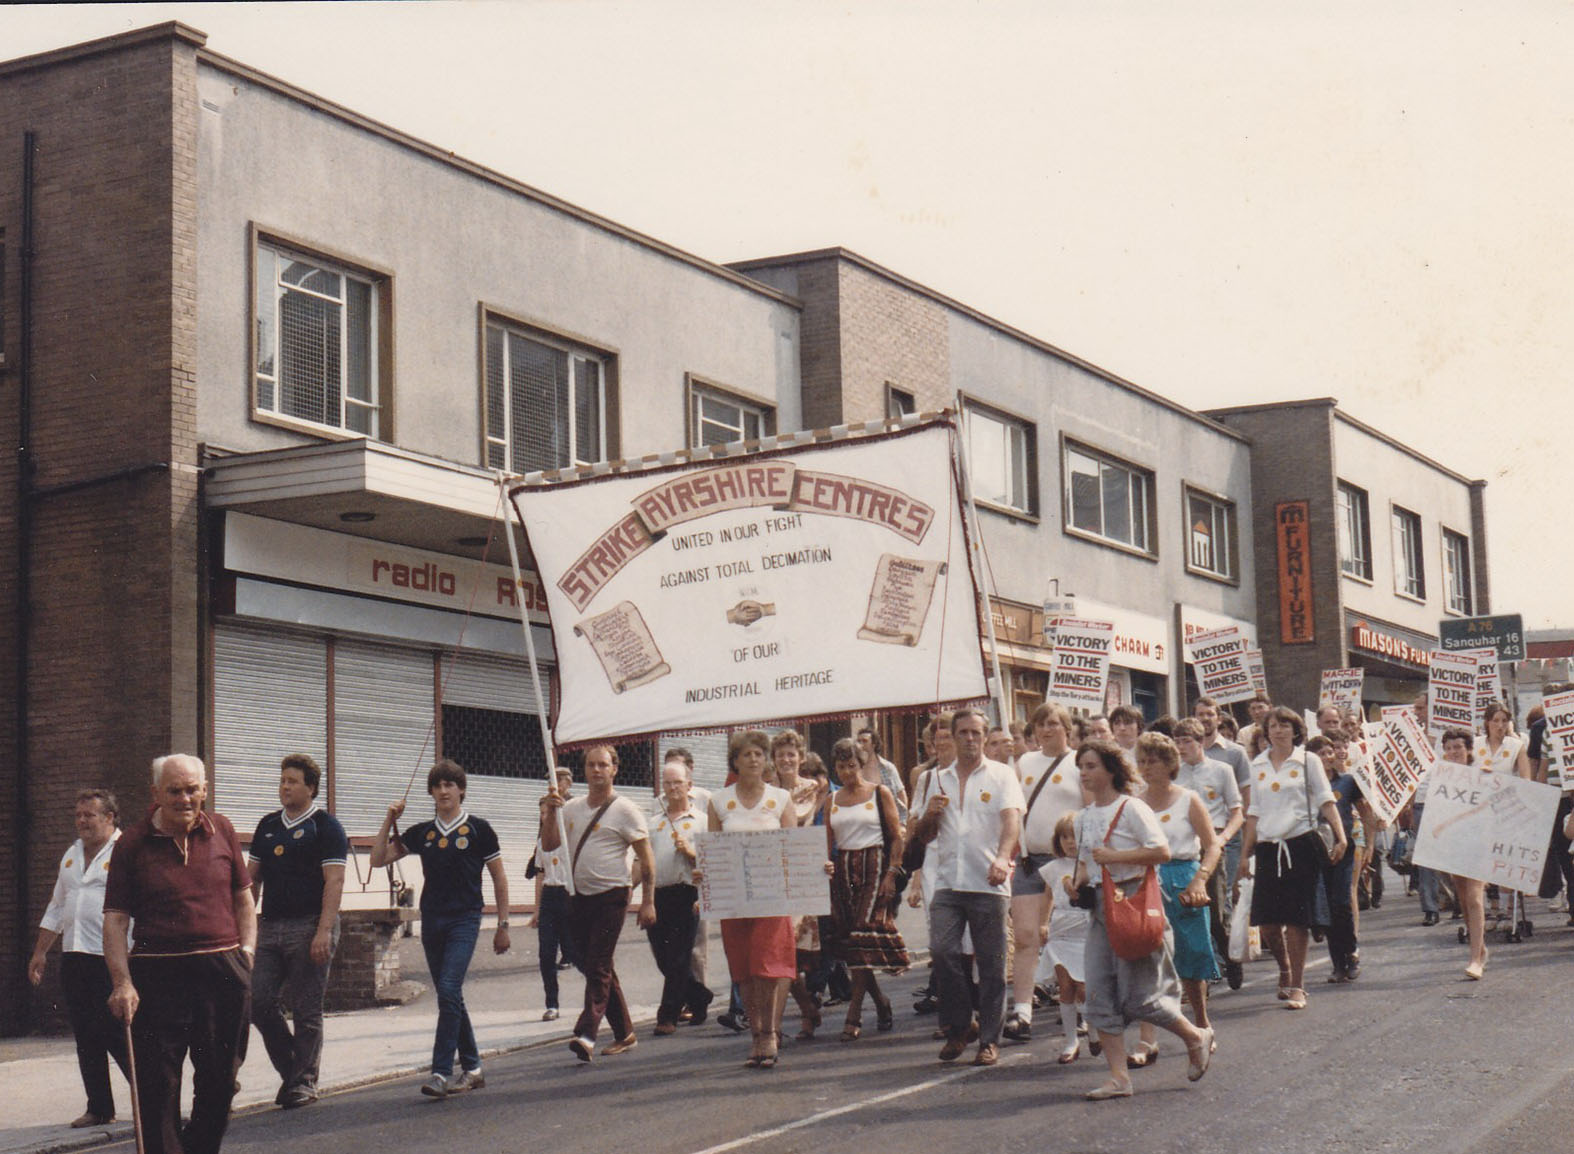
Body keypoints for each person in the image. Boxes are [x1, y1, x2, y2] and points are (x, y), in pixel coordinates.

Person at [103, 755, 256, 1154]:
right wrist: (122, 982)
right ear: (155, 793)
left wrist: (248, 953)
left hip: (222, 970)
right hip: (157, 975)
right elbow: (116, 922)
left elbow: (244, 900)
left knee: (221, 1081)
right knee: (157, 1087)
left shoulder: (222, 829)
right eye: (174, 790)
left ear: (205, 789)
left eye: (192, 789)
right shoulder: (131, 844)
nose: (185, 798)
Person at [1070, 740, 1214, 1100]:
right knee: (1098, 995)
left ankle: (1196, 1035)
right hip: (1102, 911)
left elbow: (1161, 850)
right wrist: (1076, 885)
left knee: (1140, 999)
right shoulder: (1083, 817)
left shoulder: (1131, 807)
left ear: (1111, 770)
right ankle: (1119, 1078)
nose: (1084, 774)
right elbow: (1087, 864)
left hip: (1134, 904)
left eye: (1091, 766)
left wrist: (1116, 856)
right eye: (1081, 767)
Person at [370, 759, 510, 1098]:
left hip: (465, 919)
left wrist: (503, 924)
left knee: (448, 989)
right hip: (433, 920)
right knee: (450, 995)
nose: (444, 791)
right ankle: (473, 1067)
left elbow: (499, 878)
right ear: (431, 792)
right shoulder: (423, 832)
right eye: (438, 786)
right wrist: (390, 819)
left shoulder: (479, 829)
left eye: (450, 785)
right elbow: (377, 859)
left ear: (461, 789)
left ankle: (441, 1072)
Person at [912, 707, 1023, 1068]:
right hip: (948, 882)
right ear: (952, 737)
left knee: (991, 965)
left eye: (977, 733)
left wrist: (1003, 859)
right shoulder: (935, 779)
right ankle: (961, 1025)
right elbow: (922, 836)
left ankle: (990, 1039)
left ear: (984, 735)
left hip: (989, 883)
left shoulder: (1002, 775)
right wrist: (930, 814)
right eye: (963, 733)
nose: (971, 739)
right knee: (943, 952)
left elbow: (1011, 823)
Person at [703, 730, 812, 1068]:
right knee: (745, 970)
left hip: (771, 893)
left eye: (759, 754)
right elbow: (713, 852)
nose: (753, 759)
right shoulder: (718, 801)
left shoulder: (780, 799)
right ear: (735, 761)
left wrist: (803, 894)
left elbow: (792, 847)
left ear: (766, 761)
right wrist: (703, 877)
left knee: (767, 966)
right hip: (735, 898)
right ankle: (755, 1034)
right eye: (746, 754)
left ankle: (770, 1034)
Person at [542, 744, 656, 1062]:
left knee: (598, 965)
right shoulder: (571, 808)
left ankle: (586, 1033)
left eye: (603, 765)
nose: (596, 771)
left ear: (614, 769)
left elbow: (647, 860)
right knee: (596, 965)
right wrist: (551, 811)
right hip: (578, 897)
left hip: (613, 896)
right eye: (591, 765)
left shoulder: (626, 810)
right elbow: (550, 844)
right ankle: (625, 1033)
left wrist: (648, 902)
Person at [247, 754, 348, 1108]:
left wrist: (323, 931)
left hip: (309, 926)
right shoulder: (268, 825)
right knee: (256, 1001)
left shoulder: (326, 827)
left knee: (306, 1010)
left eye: (292, 781)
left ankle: (303, 1082)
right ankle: (293, 1069)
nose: (284, 787)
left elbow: (334, 881)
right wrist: (243, 928)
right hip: (270, 927)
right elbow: (251, 881)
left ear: (311, 787)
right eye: (282, 780)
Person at [28, 788, 132, 1128]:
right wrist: (41, 951)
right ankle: (99, 1108)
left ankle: (153, 1100)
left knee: (119, 1033)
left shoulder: (126, 852)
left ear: (110, 818)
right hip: (75, 956)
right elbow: (57, 906)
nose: (82, 821)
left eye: (90, 815)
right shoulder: (71, 855)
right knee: (87, 1035)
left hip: (113, 958)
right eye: (78, 815)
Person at [1236, 708, 1347, 1011]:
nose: (1279, 731)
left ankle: (1298, 985)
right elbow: (1253, 813)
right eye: (1273, 726)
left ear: (1295, 730)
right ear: (1265, 732)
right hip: (1269, 848)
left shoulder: (1308, 761)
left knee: (1298, 921)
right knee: (1269, 923)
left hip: (1301, 844)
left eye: (1285, 725)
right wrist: (1245, 855)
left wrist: (1341, 835)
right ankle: (1283, 967)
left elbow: (1326, 800)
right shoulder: (1257, 765)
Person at [1004, 703, 1084, 1043]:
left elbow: (1091, 811)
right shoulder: (1024, 763)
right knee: (1025, 936)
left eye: (1053, 723)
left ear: (1066, 727)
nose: (1046, 730)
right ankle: (1022, 1011)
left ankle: (1082, 1008)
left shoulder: (1080, 763)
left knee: (1071, 940)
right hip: (1029, 860)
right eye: (1040, 725)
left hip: (1066, 864)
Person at [1135, 732, 1220, 1048]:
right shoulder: (1134, 803)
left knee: (1191, 955)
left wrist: (1199, 880)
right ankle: (1148, 1039)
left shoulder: (1188, 799)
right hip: (1147, 881)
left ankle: (1202, 1023)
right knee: (1147, 957)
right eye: (1142, 761)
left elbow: (1213, 846)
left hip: (1183, 878)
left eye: (1153, 761)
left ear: (1170, 763)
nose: (1146, 768)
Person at [823, 737, 908, 1040]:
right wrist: (826, 867)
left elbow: (896, 836)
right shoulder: (831, 800)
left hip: (874, 865)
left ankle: (854, 1014)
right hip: (844, 871)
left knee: (863, 932)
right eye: (841, 767)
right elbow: (827, 842)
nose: (847, 773)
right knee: (855, 945)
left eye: (852, 766)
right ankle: (882, 1003)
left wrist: (892, 872)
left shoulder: (879, 792)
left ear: (861, 765)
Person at [644, 754, 711, 1036]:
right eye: (667, 783)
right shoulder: (653, 823)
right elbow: (642, 864)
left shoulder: (703, 821)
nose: (672, 789)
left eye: (678, 783)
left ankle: (667, 1016)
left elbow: (714, 863)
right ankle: (699, 996)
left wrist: (691, 853)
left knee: (679, 957)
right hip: (659, 894)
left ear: (689, 785)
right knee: (663, 957)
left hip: (688, 894)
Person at [1173, 718, 1244, 987]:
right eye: (1177, 742)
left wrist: (1223, 837)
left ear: (1201, 742)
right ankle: (1200, 973)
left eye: (1187, 741)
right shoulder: (1174, 772)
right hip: (1181, 843)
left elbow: (1237, 812)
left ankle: (1230, 956)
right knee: (1185, 909)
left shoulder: (1222, 770)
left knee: (1214, 910)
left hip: (1211, 843)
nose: (1181, 747)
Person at [1307, 734, 1378, 983]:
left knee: (1342, 902)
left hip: (1344, 850)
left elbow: (1366, 813)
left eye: (1328, 752)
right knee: (1325, 907)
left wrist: (1370, 844)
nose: (1326, 758)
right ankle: (1337, 963)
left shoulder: (1347, 782)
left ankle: (1351, 953)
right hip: (1317, 852)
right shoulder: (1305, 787)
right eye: (1319, 754)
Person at [771, 729, 824, 1039]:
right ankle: (806, 1009)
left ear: (801, 758)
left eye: (792, 754)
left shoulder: (809, 788)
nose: (786, 759)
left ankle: (787, 1021)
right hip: (774, 874)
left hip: (801, 871)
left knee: (792, 950)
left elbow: (793, 821)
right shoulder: (766, 788)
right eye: (781, 754)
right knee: (779, 951)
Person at [1437, 728, 1490, 980]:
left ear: (1469, 749)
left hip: (1479, 842)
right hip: (1454, 843)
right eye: (1448, 748)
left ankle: (1475, 959)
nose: (1453, 752)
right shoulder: (1441, 779)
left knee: (1475, 898)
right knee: (1464, 900)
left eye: (1458, 746)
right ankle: (1480, 950)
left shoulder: (1482, 775)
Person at [1039, 813, 1091, 1065]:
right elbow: (1048, 897)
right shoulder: (1052, 868)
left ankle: (1093, 1028)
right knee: (1066, 987)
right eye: (1065, 837)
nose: (1071, 842)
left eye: (1076, 837)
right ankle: (1071, 1041)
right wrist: (1043, 923)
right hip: (1060, 931)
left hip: (1084, 928)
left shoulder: (1090, 865)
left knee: (1084, 987)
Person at [528, 768, 578, 1023]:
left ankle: (600, 999)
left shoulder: (571, 839)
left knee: (579, 954)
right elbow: (539, 874)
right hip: (550, 895)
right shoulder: (540, 844)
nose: (544, 816)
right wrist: (536, 910)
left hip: (570, 895)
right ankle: (552, 1004)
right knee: (546, 954)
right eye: (542, 812)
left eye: (549, 811)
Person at [857, 727, 910, 821]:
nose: (861, 745)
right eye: (858, 741)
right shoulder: (856, 770)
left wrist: (902, 821)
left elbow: (901, 793)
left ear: (874, 744)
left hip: (887, 818)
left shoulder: (888, 767)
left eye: (865, 741)